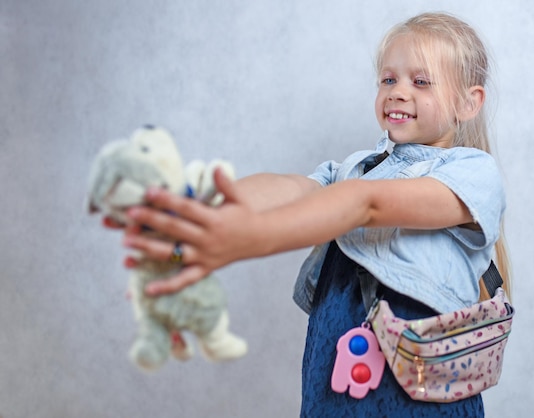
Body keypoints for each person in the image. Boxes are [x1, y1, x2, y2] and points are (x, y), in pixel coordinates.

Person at [115, 12, 510, 418]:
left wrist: (248, 238)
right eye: (388, 80)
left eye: (420, 81)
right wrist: (207, 212)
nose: (397, 92)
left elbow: (365, 205)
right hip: (331, 384)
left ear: (468, 102)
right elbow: (293, 188)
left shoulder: (472, 174)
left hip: (417, 402)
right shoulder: (359, 167)